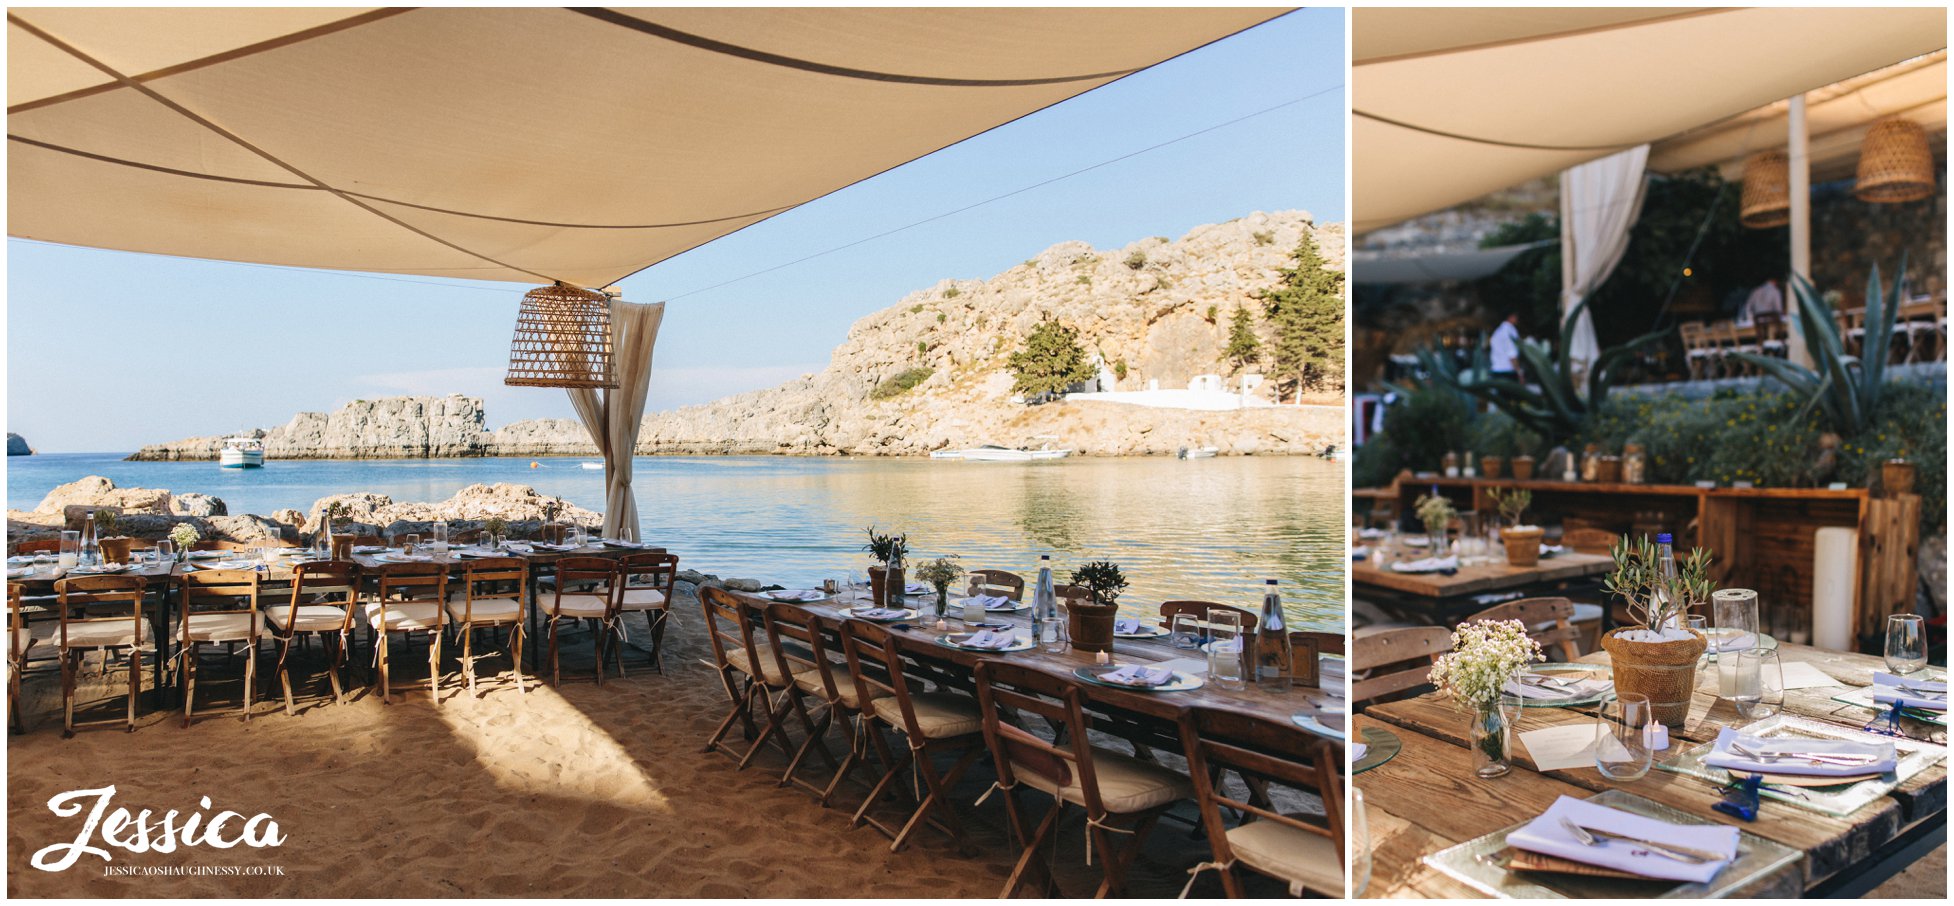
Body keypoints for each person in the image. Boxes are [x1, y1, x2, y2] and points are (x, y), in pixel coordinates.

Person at [1488, 310, 1523, 380]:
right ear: (1511, 317)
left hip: (1496, 370)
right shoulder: (1510, 331)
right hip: (1508, 371)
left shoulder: (1497, 332)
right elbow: (1512, 353)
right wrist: (1519, 373)